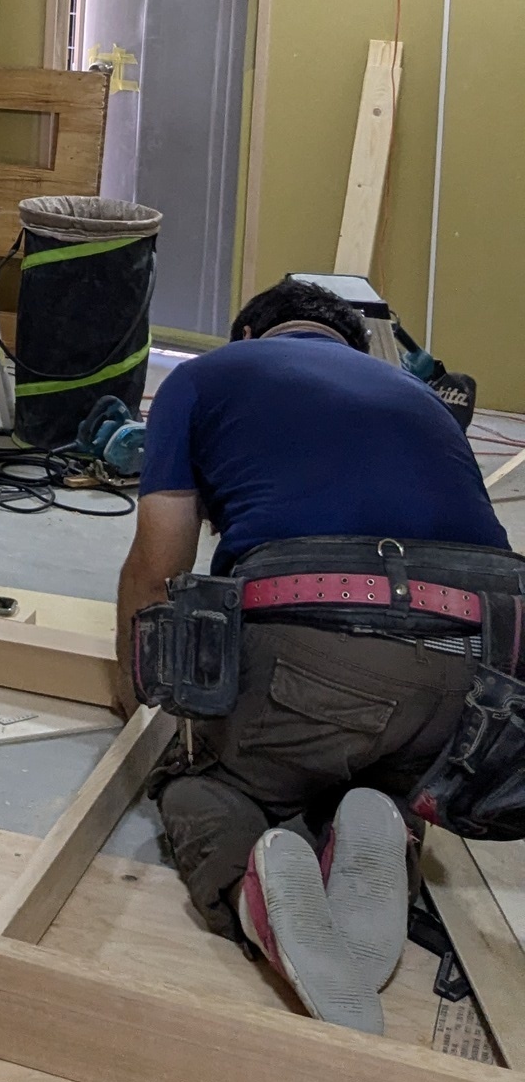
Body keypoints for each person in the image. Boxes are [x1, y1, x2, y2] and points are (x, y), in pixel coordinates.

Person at [115, 276, 518, 1032]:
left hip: (325, 641)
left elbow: (159, 563)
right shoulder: (423, 399)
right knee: (371, 756)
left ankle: (252, 897)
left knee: (208, 785)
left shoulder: (204, 377)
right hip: (482, 679)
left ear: (248, 336)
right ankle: (384, 819)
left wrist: (138, 690)